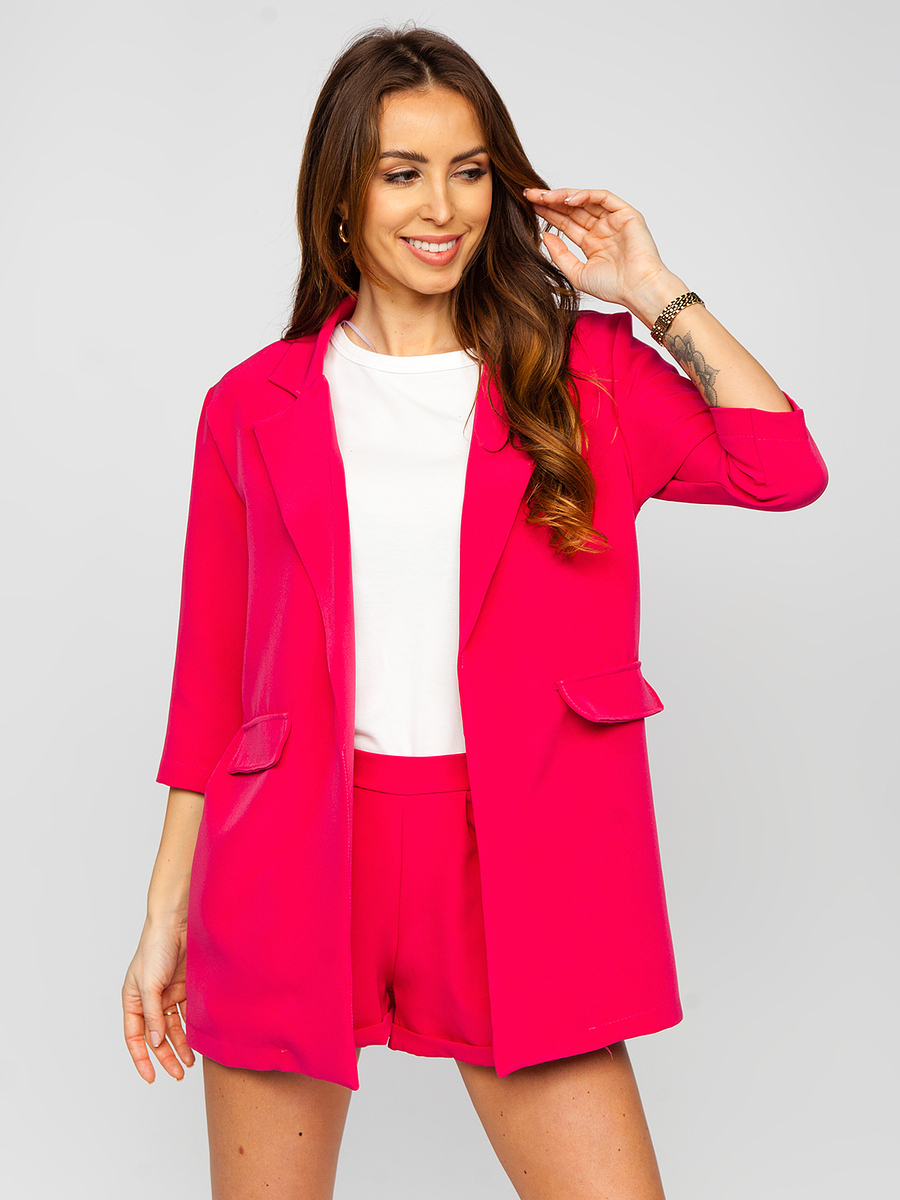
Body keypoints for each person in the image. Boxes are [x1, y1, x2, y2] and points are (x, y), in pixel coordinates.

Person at [122, 25, 828, 1200]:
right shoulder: (251, 406)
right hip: (295, 859)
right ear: (341, 199)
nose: (441, 207)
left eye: (468, 170)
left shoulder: (581, 374)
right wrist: (164, 918)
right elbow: (210, 687)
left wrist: (651, 290)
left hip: (522, 854)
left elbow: (782, 469)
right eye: (402, 172)